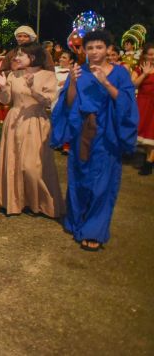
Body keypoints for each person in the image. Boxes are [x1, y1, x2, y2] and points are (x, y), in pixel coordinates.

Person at [51, 30, 138, 251]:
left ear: (109, 49)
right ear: (84, 50)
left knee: (103, 182)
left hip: (106, 133)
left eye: (99, 47)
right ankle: (76, 221)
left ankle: (94, 230)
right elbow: (69, 103)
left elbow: (127, 104)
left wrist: (105, 82)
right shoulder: (80, 71)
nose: (94, 51)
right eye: (90, 47)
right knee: (79, 177)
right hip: (83, 132)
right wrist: (71, 82)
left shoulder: (119, 73)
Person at [0, 42, 64, 218]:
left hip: (35, 121)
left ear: (33, 57)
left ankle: (42, 202)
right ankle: (17, 201)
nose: (16, 58)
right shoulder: (14, 75)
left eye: (21, 55)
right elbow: (6, 99)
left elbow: (49, 101)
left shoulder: (48, 76)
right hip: (14, 119)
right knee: (13, 163)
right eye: (17, 54)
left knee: (33, 166)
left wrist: (33, 89)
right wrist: (2, 87)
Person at [132, 43, 154, 175]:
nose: (153, 57)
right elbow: (133, 84)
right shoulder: (139, 68)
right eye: (150, 54)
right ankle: (149, 157)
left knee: (152, 133)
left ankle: (149, 163)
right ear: (145, 55)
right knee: (145, 135)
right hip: (143, 102)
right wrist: (144, 74)